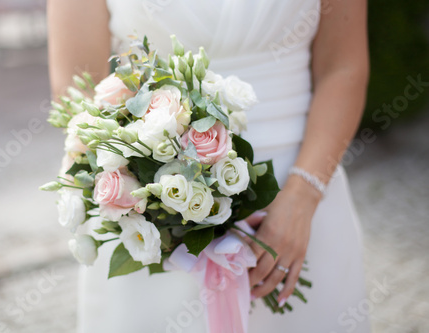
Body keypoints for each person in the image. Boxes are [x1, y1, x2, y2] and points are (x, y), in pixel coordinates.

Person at [47, 0, 371, 332]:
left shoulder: (303, 201)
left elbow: (342, 67)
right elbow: (78, 89)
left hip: (303, 194)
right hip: (154, 218)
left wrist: (302, 197)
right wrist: (162, 207)